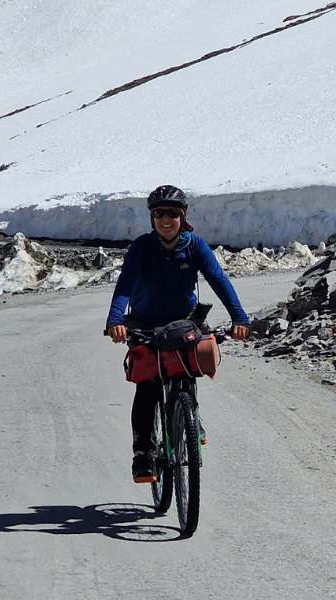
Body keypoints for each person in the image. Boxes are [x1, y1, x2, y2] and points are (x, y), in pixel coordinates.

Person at [105, 185, 251, 483]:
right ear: (152, 218)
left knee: (187, 370)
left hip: (184, 322)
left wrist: (239, 317)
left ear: (182, 216)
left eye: (172, 213)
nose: (165, 219)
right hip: (145, 324)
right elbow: (125, 285)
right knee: (147, 385)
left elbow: (219, 280)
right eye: (159, 214)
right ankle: (143, 453)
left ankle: (191, 419)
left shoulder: (194, 245)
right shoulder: (142, 247)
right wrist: (115, 319)